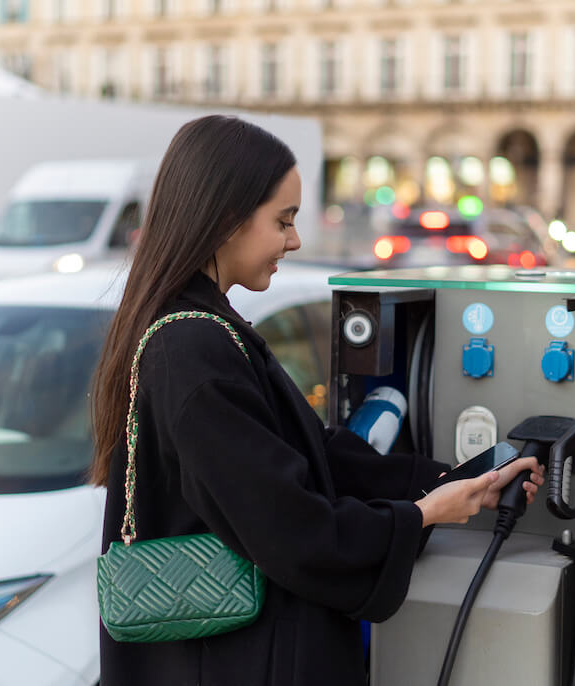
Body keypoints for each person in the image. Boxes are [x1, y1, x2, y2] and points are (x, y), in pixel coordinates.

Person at [89, 114, 545, 686]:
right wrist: (425, 514)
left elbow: (312, 456)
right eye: (283, 221)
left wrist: (451, 479)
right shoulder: (192, 347)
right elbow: (292, 530)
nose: (295, 240)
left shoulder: (202, 329)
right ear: (227, 219)